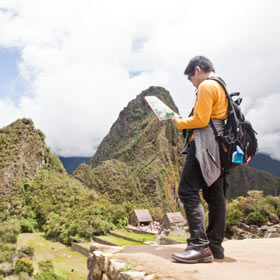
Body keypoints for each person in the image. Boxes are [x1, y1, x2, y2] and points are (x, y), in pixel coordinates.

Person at [171, 56, 228, 263]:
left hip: (205, 142)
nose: (192, 83)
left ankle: (198, 246)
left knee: (187, 190)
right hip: (220, 145)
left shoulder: (206, 86)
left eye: (191, 79)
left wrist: (178, 122)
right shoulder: (222, 85)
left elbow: (201, 120)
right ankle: (215, 247)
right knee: (215, 195)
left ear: (197, 70)